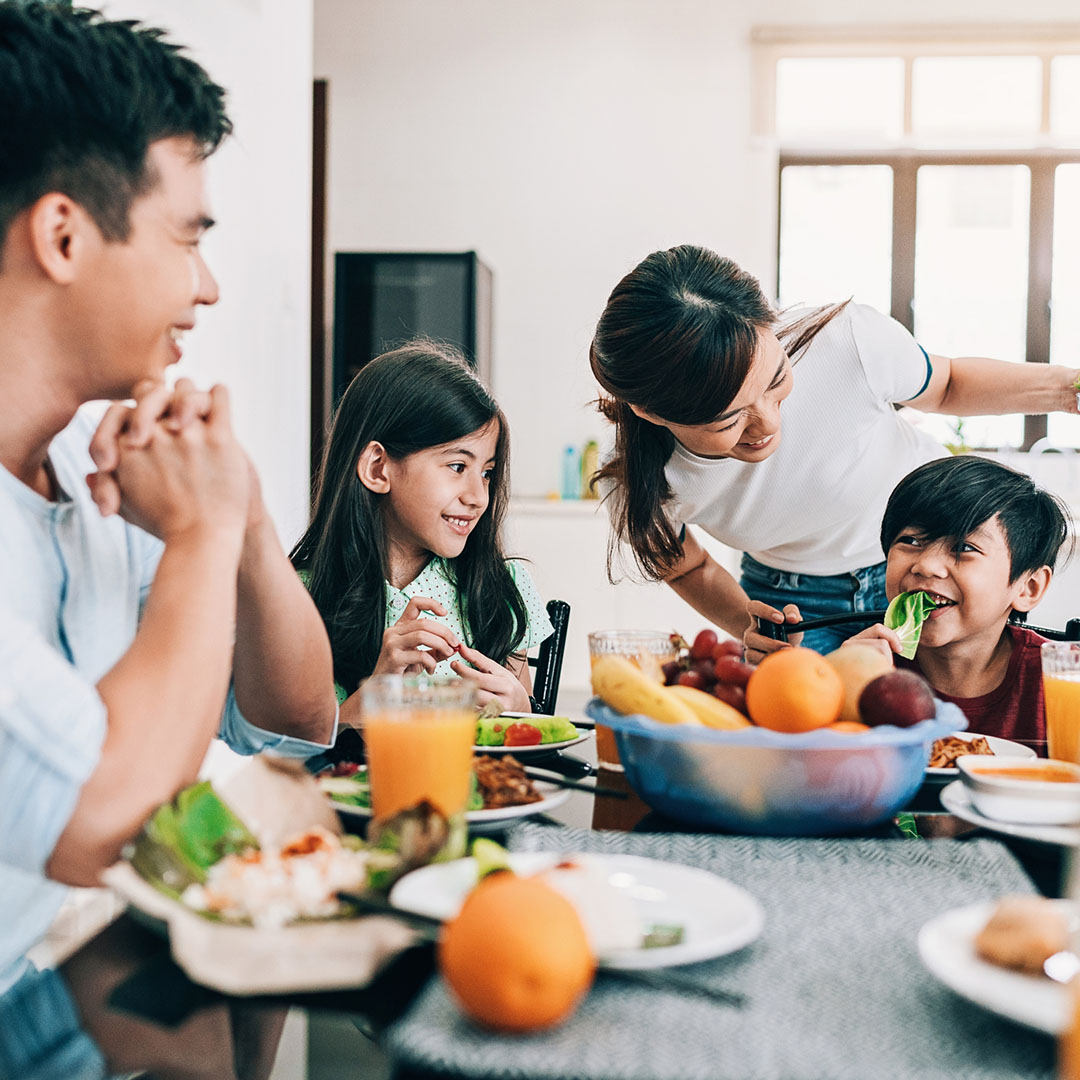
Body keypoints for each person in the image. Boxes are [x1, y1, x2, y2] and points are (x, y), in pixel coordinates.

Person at [0, 3, 338, 990]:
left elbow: (295, 716)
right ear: (63, 236)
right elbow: (98, 820)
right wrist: (199, 533)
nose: (210, 288)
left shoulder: (91, 465)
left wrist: (241, 517)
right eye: (187, 239)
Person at [590, 244, 1080, 660]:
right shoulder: (636, 480)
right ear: (650, 412)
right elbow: (688, 566)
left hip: (939, 558)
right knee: (819, 748)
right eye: (729, 419)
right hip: (795, 602)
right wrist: (750, 625)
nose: (768, 424)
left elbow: (947, 385)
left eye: (777, 381)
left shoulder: (845, 342)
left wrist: (1067, 390)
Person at [291, 342, 553, 719]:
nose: (479, 497)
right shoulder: (298, 599)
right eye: (457, 467)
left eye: (488, 473)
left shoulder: (501, 587)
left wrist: (519, 708)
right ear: (378, 468)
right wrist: (378, 694)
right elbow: (295, 759)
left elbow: (521, 738)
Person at [844, 456, 1069, 745]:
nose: (926, 566)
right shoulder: (868, 668)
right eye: (910, 541)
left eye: (964, 547)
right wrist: (845, 691)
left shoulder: (1060, 680)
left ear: (1028, 588)